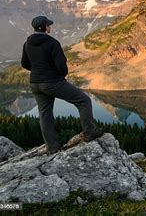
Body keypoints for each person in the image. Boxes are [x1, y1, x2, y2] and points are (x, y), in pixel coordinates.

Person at [21, 16, 103, 154]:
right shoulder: (52, 42)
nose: (50, 27)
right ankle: (90, 132)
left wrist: (38, 71)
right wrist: (58, 75)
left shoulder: (27, 43)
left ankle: (52, 147)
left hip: (35, 83)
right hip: (53, 82)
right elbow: (61, 66)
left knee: (45, 114)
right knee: (84, 101)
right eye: (49, 25)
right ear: (44, 27)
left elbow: (24, 63)